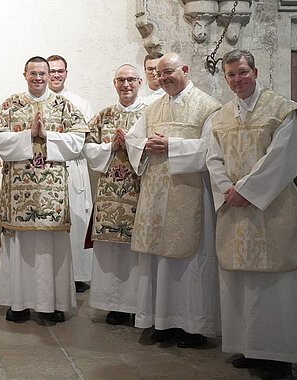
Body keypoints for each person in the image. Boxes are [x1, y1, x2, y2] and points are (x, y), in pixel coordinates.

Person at [206, 49, 297, 379]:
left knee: (272, 284)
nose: (237, 79)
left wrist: (246, 188)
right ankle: (249, 347)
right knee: (239, 281)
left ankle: (278, 355)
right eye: (231, 75)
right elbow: (212, 159)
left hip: (270, 210)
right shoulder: (220, 117)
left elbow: (283, 157)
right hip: (234, 210)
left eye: (242, 72)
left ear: (255, 73)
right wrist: (227, 189)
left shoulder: (283, 110)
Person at [125, 52, 221, 348]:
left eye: (169, 72)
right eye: (160, 74)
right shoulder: (153, 108)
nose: (164, 78)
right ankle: (162, 322)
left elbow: (212, 149)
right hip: (155, 195)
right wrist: (144, 145)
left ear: (185, 70)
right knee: (159, 262)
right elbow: (132, 138)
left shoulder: (209, 107)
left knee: (191, 262)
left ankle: (192, 326)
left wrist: (172, 146)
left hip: (190, 193)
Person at [0, 56, 88, 323]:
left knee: (51, 248)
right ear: (24, 75)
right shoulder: (11, 105)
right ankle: (17, 303)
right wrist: (27, 136)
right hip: (18, 193)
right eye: (33, 73)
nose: (39, 78)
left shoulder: (64, 105)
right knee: (20, 247)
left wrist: (48, 136)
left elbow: (79, 140)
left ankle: (53, 303)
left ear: (49, 75)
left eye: (43, 73)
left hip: (51, 193)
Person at [83, 64, 146, 325]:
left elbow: (154, 146)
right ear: (114, 83)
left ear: (140, 82)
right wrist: (110, 146)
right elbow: (86, 148)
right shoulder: (103, 116)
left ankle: (137, 304)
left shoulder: (150, 114)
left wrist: (130, 144)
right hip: (109, 193)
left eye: (131, 79)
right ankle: (114, 304)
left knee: (136, 251)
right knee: (111, 251)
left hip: (139, 192)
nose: (126, 84)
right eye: (121, 80)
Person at [46, 54, 93, 293]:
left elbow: (81, 138)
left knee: (75, 220)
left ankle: (77, 274)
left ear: (66, 73)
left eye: (59, 71)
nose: (55, 75)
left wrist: (50, 138)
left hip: (73, 167)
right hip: (45, 169)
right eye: (51, 71)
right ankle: (50, 273)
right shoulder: (38, 101)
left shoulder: (79, 103)